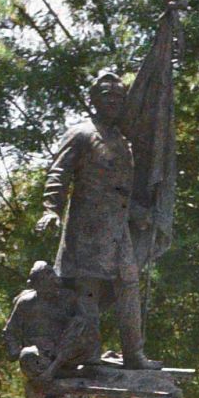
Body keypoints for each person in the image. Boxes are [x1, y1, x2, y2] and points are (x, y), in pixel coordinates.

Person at [37, 69, 159, 370]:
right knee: (87, 294)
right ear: (94, 100)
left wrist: (138, 213)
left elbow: (116, 192)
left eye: (120, 97)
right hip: (87, 231)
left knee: (129, 287)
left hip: (118, 233)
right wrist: (50, 209)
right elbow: (58, 173)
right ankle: (88, 354)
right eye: (108, 96)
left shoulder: (123, 142)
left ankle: (134, 354)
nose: (114, 102)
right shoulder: (81, 133)